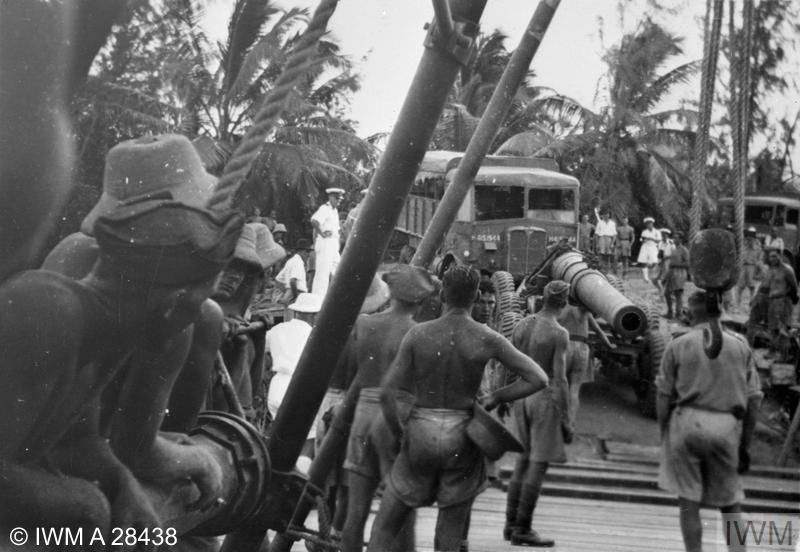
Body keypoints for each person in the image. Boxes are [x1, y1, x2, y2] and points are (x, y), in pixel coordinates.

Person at [0, 197, 241, 536]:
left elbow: (74, 442)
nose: (193, 320)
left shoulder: (107, 332)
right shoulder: (49, 312)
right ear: (172, 305)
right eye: (198, 305)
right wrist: (88, 505)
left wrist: (120, 482)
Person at [366, 266, 549, 552]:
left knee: (387, 523)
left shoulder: (418, 334)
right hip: (463, 434)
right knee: (450, 529)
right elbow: (538, 378)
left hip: (421, 430)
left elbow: (388, 392)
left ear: (442, 294)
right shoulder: (487, 337)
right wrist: (497, 397)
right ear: (475, 297)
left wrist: (398, 431)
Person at [656, 290, 763, 552]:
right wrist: (745, 445)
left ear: (691, 312)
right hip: (726, 424)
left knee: (688, 502)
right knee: (730, 503)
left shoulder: (678, 344)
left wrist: (665, 434)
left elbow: (663, 396)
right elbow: (754, 401)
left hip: (687, 421)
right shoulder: (740, 346)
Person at [340, 265, 436, 552]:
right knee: (401, 510)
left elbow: (354, 371)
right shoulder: (418, 332)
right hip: (397, 415)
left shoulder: (363, 324)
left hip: (363, 414)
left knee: (356, 512)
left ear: (391, 293)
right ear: (420, 300)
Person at [505, 281, 570, 547]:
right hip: (544, 397)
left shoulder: (522, 325)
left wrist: (505, 396)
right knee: (538, 463)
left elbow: (508, 365)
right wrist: (566, 418)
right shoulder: (559, 333)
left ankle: (510, 524)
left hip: (521, 396)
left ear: (543, 298)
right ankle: (523, 527)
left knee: (522, 460)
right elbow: (560, 379)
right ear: (564, 302)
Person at [211, 223, 285, 422]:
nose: (235, 277)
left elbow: (248, 393)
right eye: (230, 267)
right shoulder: (207, 320)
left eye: (242, 271)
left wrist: (258, 340)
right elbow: (218, 407)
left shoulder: (238, 322)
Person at [265, 292, 323, 473]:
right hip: (299, 386)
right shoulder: (314, 334)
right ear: (315, 315)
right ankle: (301, 474)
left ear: (297, 312)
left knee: (282, 433)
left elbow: (264, 352)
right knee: (308, 437)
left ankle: (276, 472)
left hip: (277, 385)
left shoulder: (277, 330)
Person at [557, 297, 614, 428]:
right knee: (575, 388)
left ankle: (558, 418)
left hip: (566, 347)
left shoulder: (565, 310)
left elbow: (552, 324)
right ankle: (570, 424)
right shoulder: (587, 313)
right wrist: (609, 345)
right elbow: (599, 332)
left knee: (561, 383)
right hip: (583, 349)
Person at [764, 249, 798, 360]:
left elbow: (794, 287)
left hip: (783, 303)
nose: (772, 259)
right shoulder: (772, 269)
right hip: (773, 303)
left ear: (781, 256)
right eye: (770, 256)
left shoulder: (787, 270)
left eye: (774, 256)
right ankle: (772, 352)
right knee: (773, 329)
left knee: (783, 330)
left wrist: (786, 297)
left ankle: (784, 356)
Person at [311, 187, 345, 296]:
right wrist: (321, 233)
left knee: (337, 269)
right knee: (323, 272)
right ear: (330, 197)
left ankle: (334, 296)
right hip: (325, 242)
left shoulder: (334, 211)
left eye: (340, 199)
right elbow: (314, 221)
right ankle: (318, 298)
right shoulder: (325, 208)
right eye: (336, 198)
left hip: (333, 243)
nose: (338, 201)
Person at [274, 238, 313, 305]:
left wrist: (286, 291)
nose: (308, 255)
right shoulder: (298, 262)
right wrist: (295, 296)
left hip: (290, 293)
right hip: (297, 293)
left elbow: (278, 279)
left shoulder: (291, 261)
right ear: (301, 251)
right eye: (307, 251)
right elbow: (292, 281)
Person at [663, 233, 689, 320]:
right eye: (674, 238)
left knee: (678, 294)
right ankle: (670, 312)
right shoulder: (674, 249)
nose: (674, 240)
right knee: (667, 293)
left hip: (680, 274)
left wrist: (675, 265)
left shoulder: (684, 250)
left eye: (676, 238)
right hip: (672, 273)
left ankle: (678, 313)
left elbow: (687, 264)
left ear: (680, 239)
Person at [737, 227, 763, 309]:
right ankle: (738, 303)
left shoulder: (757, 243)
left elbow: (759, 255)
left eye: (752, 234)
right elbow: (740, 252)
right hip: (743, 265)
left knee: (752, 286)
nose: (750, 236)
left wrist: (758, 268)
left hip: (752, 266)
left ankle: (751, 302)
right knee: (740, 286)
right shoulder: (743, 242)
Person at [637, 217, 661, 283]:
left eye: (650, 223)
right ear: (646, 225)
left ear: (652, 224)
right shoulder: (644, 232)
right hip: (645, 246)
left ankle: (654, 277)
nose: (649, 225)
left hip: (653, 246)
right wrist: (644, 239)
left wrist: (652, 239)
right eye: (647, 224)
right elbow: (641, 239)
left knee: (654, 262)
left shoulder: (657, 231)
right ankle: (646, 278)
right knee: (643, 261)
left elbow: (659, 240)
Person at [594, 209, 617, 273]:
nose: (606, 215)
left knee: (608, 255)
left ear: (609, 215)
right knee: (601, 255)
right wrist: (597, 244)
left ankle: (607, 270)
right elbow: (596, 235)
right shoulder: (600, 223)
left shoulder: (612, 223)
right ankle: (600, 270)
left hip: (609, 239)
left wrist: (612, 243)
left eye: (607, 214)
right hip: (601, 239)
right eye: (604, 214)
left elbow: (614, 235)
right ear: (603, 215)